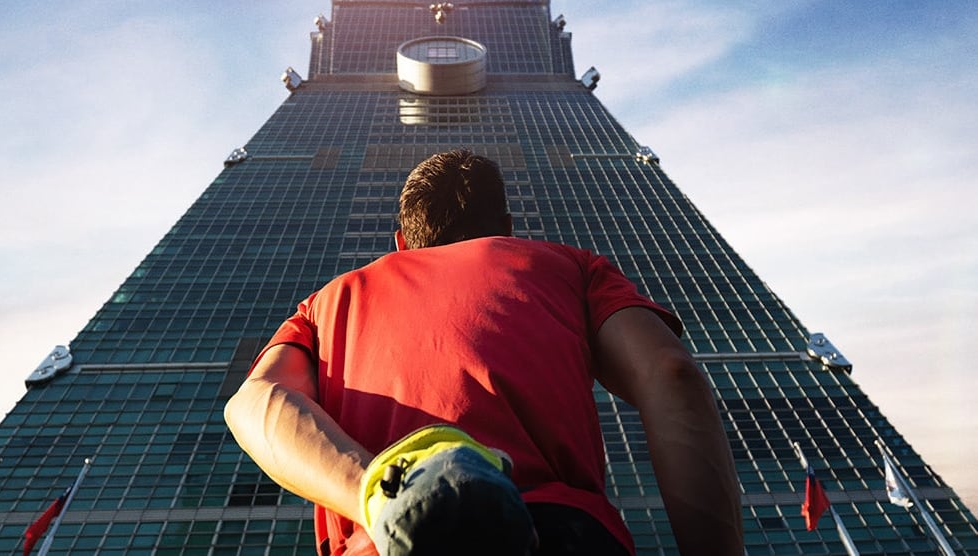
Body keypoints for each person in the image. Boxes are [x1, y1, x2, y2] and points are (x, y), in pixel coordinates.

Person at [225, 149, 743, 555]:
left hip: (385, 541)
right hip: (559, 532)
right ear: (508, 230)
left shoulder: (328, 301)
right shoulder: (571, 267)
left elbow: (255, 402)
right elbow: (670, 372)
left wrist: (385, 496)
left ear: (401, 242)